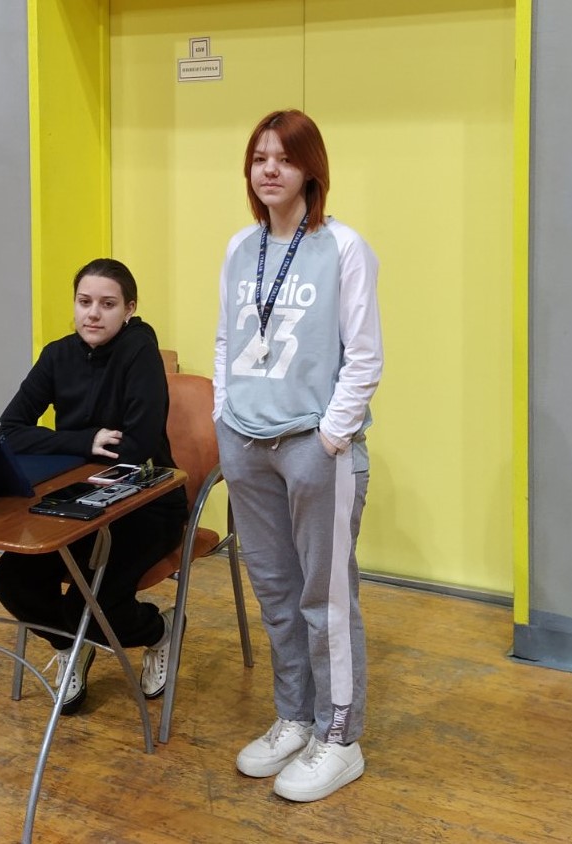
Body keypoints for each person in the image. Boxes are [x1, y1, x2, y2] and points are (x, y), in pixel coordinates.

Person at [213, 110, 383, 802]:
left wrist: (331, 436)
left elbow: (364, 355)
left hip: (314, 446)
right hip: (245, 442)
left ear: (311, 168)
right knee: (276, 593)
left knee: (326, 598)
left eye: (284, 157)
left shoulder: (343, 247)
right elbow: (225, 340)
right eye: (259, 158)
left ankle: (340, 737)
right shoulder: (239, 247)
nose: (270, 169)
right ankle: (295, 716)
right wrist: (225, 413)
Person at [0, 257, 188, 714]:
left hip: (148, 504)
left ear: (130, 309)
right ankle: (70, 646)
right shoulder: (58, 355)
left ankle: (159, 630)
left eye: (107, 304)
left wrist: (70, 447)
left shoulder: (139, 353)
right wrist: (86, 441)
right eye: (84, 302)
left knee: (93, 608)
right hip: (75, 503)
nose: (93, 314)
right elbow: (8, 430)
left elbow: (136, 448)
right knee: (12, 580)